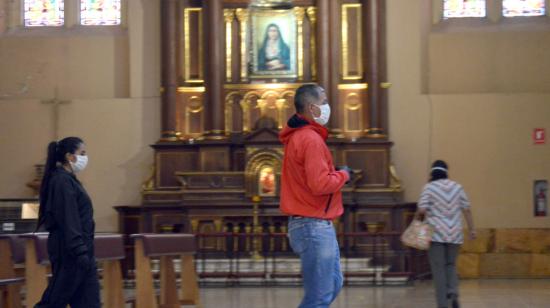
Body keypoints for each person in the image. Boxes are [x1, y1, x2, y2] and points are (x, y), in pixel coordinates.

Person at [279, 84, 351, 308]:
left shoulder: (302, 137)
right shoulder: (309, 139)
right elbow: (319, 184)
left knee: (333, 283)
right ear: (312, 107)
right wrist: (343, 175)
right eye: (324, 102)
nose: (328, 106)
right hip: (312, 225)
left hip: (314, 223)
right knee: (319, 296)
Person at [34, 137, 100, 308]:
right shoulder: (61, 181)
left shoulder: (69, 180)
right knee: (54, 302)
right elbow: (68, 218)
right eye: (82, 153)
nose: (86, 157)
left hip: (82, 251)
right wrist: (79, 251)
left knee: (89, 302)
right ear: (70, 157)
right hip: (71, 252)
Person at [414, 160, 476, 308]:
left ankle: (442, 303)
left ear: (432, 173)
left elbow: (422, 210)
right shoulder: (457, 187)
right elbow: (466, 208)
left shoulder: (429, 188)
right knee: (451, 265)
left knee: (438, 269)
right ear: (446, 172)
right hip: (455, 234)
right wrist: (472, 229)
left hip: (436, 235)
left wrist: (416, 223)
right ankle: (453, 291)